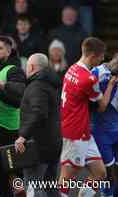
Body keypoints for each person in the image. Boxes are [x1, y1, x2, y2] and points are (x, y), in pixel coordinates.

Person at [59, 37, 117, 197]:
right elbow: (102, 106)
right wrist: (111, 85)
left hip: (83, 130)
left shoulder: (72, 69)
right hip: (75, 132)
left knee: (100, 173)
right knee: (68, 176)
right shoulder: (88, 79)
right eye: (101, 56)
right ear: (93, 56)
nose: (102, 60)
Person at [14, 53, 62, 197]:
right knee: (50, 185)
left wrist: (23, 136)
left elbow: (38, 113)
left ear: (32, 67)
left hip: (38, 145)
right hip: (52, 143)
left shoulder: (37, 86)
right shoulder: (50, 83)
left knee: (33, 185)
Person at [0, 36, 26, 197]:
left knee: (14, 172)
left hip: (9, 129)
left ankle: (20, 193)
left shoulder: (13, 71)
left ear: (8, 51)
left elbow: (18, 101)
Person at [91, 56, 118, 196]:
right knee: (108, 174)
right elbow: (99, 107)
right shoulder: (97, 72)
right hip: (102, 133)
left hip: (115, 131)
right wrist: (111, 85)